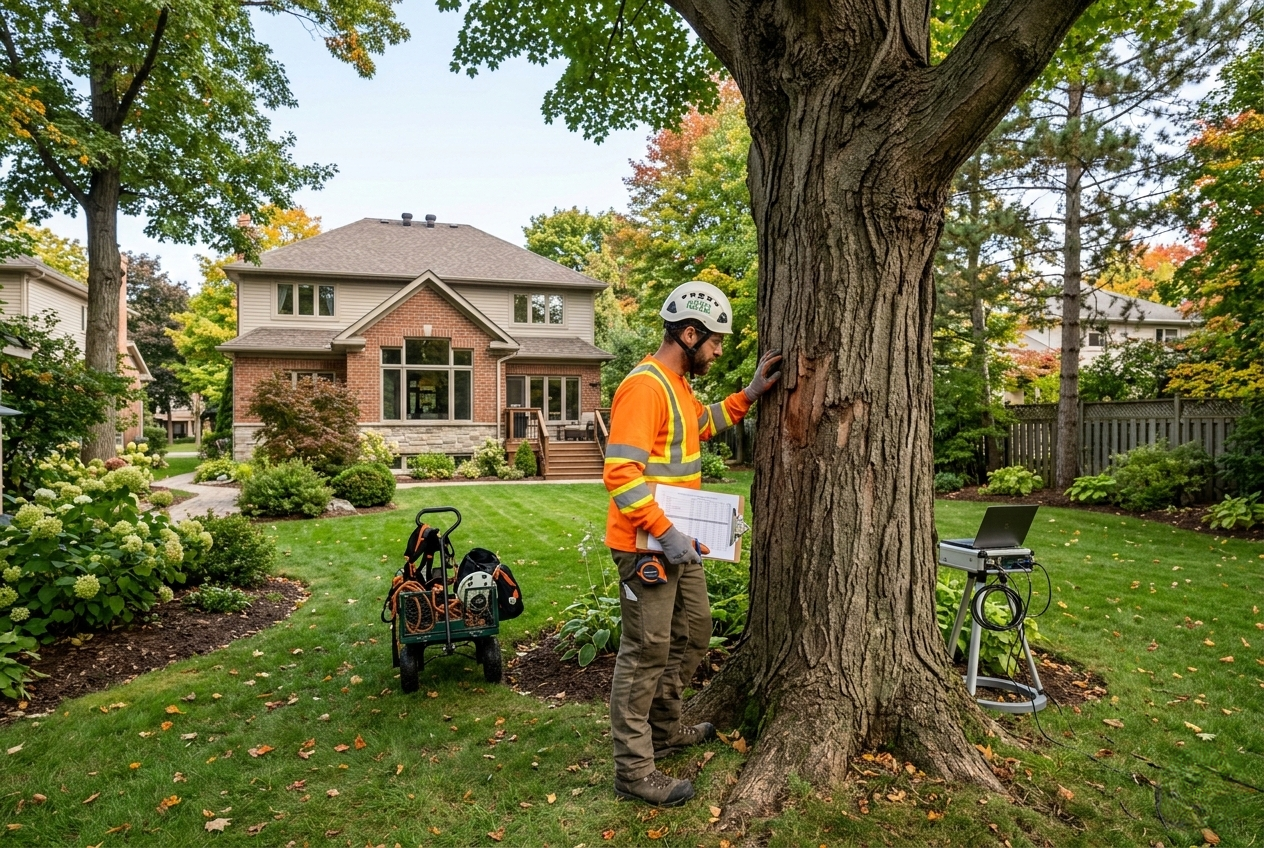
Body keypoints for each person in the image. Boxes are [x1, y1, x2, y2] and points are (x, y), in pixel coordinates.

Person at [603, 281, 782, 807]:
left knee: (693, 632)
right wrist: (666, 532)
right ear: (688, 333)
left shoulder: (677, 385)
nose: (720, 350)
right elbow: (621, 474)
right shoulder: (644, 387)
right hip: (647, 546)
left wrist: (747, 396)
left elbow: (700, 425)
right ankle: (634, 771)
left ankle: (665, 729)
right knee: (645, 654)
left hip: (677, 543)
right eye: (715, 341)